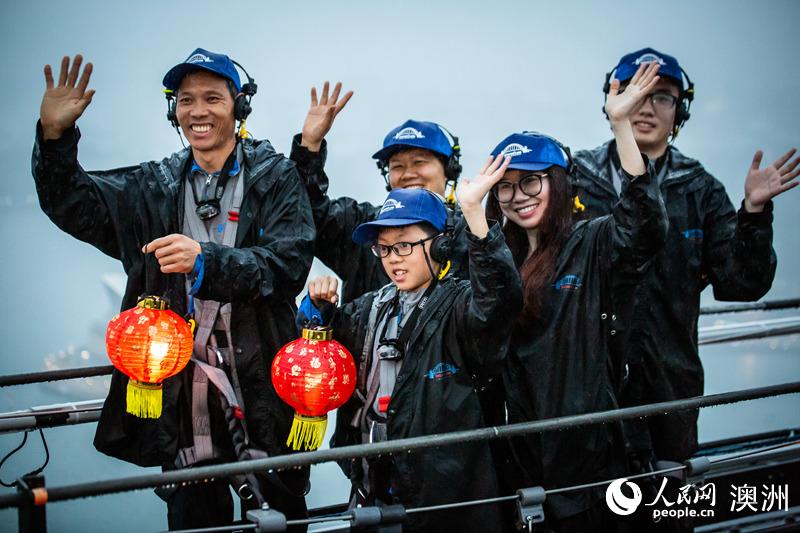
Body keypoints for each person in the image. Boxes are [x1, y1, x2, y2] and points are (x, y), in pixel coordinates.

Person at [32, 49, 315, 529]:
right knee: (193, 520)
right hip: (182, 395)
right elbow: (74, 204)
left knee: (278, 517)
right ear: (173, 111)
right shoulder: (154, 186)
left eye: (212, 98)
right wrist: (55, 138)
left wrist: (206, 261)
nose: (197, 112)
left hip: (261, 379)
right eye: (185, 100)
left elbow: (288, 264)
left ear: (238, 107)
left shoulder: (275, 178)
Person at [570, 47, 800, 477]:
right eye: (636, 91)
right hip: (584, 382)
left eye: (663, 96)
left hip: (670, 387)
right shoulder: (576, 179)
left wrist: (753, 212)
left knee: (669, 509)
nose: (646, 106)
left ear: (681, 111)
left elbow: (742, 282)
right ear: (613, 99)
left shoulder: (699, 189)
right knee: (590, 505)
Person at [486, 63, 669, 531]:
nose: (517, 196)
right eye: (505, 186)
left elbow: (644, 226)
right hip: (522, 455)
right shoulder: (497, 259)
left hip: (591, 460)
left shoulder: (590, 243)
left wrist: (621, 126)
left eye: (531, 181)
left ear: (560, 184)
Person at [300, 158, 522, 531]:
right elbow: (324, 350)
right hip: (372, 489)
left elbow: (499, 300)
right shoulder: (370, 306)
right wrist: (317, 312)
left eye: (404, 245)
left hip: (448, 501)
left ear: (440, 246)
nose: (392, 259)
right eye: (384, 249)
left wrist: (473, 214)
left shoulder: (462, 304)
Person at [290, 83, 470, 303]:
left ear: (449, 171)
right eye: (397, 166)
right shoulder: (362, 226)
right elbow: (306, 213)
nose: (408, 174)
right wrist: (309, 146)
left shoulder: (473, 234)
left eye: (419, 162)